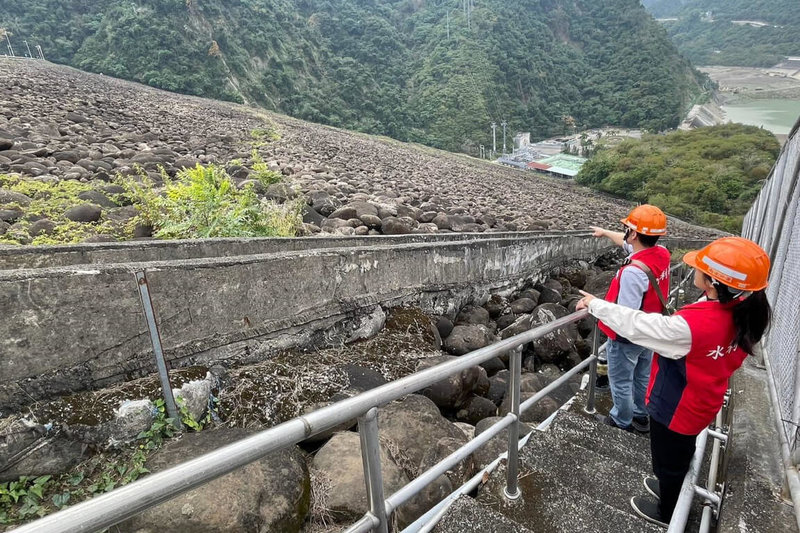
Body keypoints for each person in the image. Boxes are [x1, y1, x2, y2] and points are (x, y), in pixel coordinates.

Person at [577, 236, 772, 526]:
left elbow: (640, 326)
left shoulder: (692, 327)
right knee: (681, 453)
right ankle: (674, 487)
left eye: (700, 268)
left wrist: (596, 305)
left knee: (666, 461)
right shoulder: (745, 313)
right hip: (703, 401)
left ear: (712, 282)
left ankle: (668, 511)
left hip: (676, 407)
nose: (693, 269)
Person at [590, 205, 671, 433]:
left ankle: (620, 421)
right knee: (642, 375)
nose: (624, 231)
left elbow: (625, 315)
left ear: (634, 233)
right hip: (650, 329)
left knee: (621, 381)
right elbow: (627, 244)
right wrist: (605, 233)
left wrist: (594, 304)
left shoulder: (633, 272)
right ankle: (640, 415)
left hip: (627, 338)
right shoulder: (661, 254)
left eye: (626, 228)